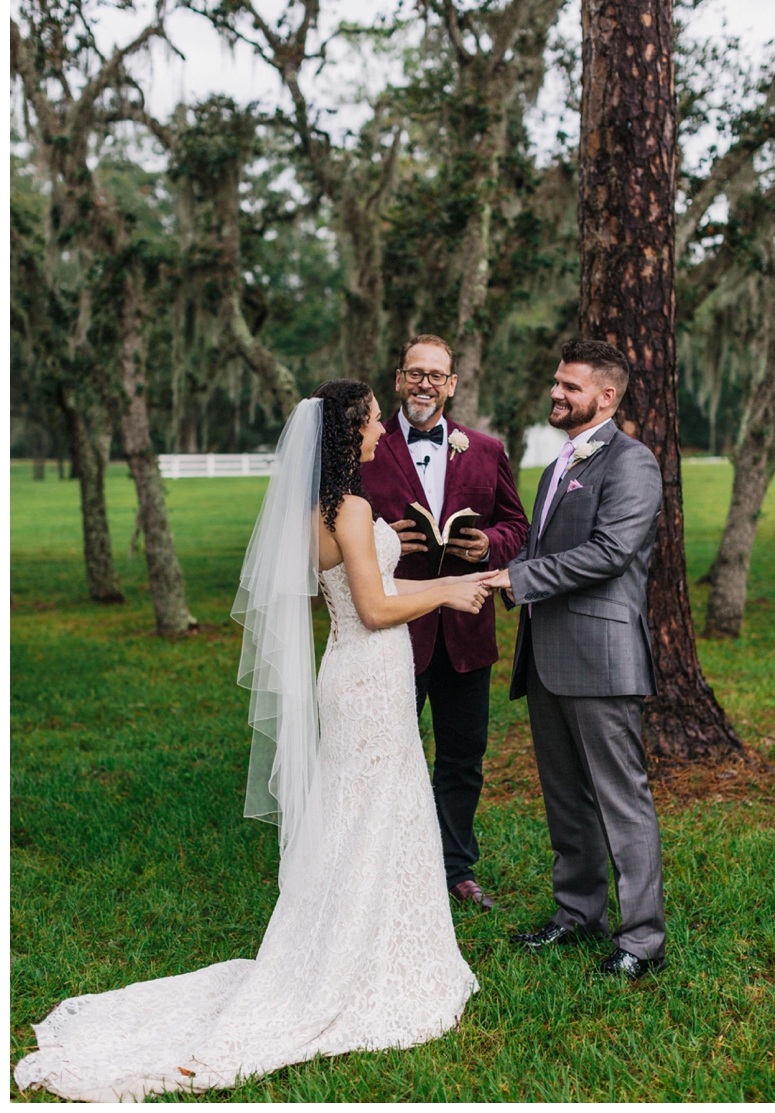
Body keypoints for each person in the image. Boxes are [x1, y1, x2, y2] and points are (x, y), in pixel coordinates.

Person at [15, 380, 498, 1102]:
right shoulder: (356, 506)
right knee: (377, 808)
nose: (378, 432)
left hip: (348, 672)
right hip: (370, 673)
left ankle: (343, 943)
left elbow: (344, 583)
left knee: (358, 811)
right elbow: (372, 607)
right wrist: (448, 591)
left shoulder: (317, 513)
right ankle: (364, 964)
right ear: (350, 431)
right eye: (370, 421)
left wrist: (384, 548)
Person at [490, 340, 667, 980]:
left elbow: (608, 553)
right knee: (565, 800)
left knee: (622, 801)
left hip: (602, 656)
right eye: (556, 383)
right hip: (546, 657)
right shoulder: (556, 466)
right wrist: (493, 566)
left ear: (606, 396)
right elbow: (542, 545)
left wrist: (517, 580)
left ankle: (642, 940)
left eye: (570, 386)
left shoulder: (632, 464)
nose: (557, 394)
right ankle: (577, 914)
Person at [361, 335, 528, 911]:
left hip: (466, 633)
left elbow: (516, 525)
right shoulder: (366, 447)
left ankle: (455, 868)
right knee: (385, 753)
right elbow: (337, 525)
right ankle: (383, 866)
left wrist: (487, 545)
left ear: (452, 384)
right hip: (392, 630)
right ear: (399, 378)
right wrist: (384, 539)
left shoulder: (484, 449)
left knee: (463, 754)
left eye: (436, 375)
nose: (425, 384)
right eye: (415, 373)